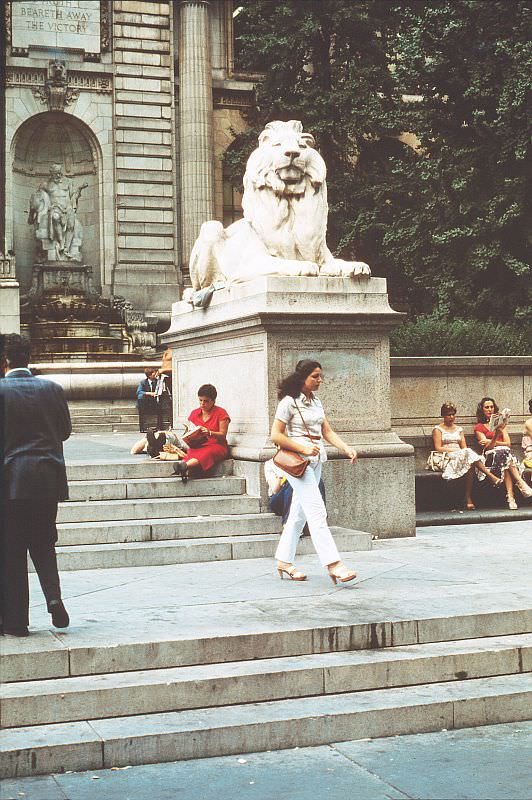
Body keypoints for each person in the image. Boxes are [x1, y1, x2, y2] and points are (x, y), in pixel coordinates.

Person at [0, 334, 71, 637]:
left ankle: (16, 621)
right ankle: (53, 598)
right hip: (47, 478)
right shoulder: (52, 389)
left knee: (11, 547)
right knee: (44, 541)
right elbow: (65, 431)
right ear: (28, 358)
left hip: (10, 479)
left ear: (5, 361)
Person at [271, 359, 358, 586]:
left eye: (320, 376)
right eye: (315, 376)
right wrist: (303, 448)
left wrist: (346, 448)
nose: (320, 380)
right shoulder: (288, 402)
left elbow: (327, 431)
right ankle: (334, 564)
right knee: (317, 511)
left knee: (299, 514)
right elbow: (276, 436)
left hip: (316, 460)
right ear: (303, 378)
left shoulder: (316, 401)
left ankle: (284, 561)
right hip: (297, 462)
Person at [432, 402, 502, 510]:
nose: (451, 417)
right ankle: (490, 477)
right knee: (468, 455)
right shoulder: (438, 429)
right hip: (446, 456)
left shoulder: (459, 429)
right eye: (448, 415)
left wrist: (460, 452)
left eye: (453, 414)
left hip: (461, 455)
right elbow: (438, 448)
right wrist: (456, 450)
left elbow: (464, 447)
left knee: (469, 462)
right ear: (443, 415)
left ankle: (468, 497)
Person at [474, 397, 532, 510]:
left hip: (504, 457)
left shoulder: (501, 425)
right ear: (482, 410)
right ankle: (521, 483)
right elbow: (487, 449)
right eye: (487, 407)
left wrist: (491, 440)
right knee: (503, 452)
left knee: (504, 457)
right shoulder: (479, 427)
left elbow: (508, 443)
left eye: (491, 407)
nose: (490, 409)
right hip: (490, 457)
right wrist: (495, 437)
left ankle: (511, 498)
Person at [169, 384, 230, 482]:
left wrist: (210, 433)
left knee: (207, 452)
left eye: (206, 401)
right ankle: (184, 467)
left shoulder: (221, 413)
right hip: (199, 445)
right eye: (200, 400)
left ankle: (185, 466)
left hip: (217, 445)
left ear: (213, 401)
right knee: (192, 451)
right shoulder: (194, 413)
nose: (202, 404)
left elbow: (223, 435)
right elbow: (190, 430)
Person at [136, 367, 159, 432]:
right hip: (145, 401)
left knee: (160, 408)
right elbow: (138, 392)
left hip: (154, 401)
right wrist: (149, 393)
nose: (155, 375)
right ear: (149, 375)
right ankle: (142, 428)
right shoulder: (143, 382)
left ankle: (159, 426)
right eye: (153, 374)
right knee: (141, 406)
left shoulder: (157, 381)